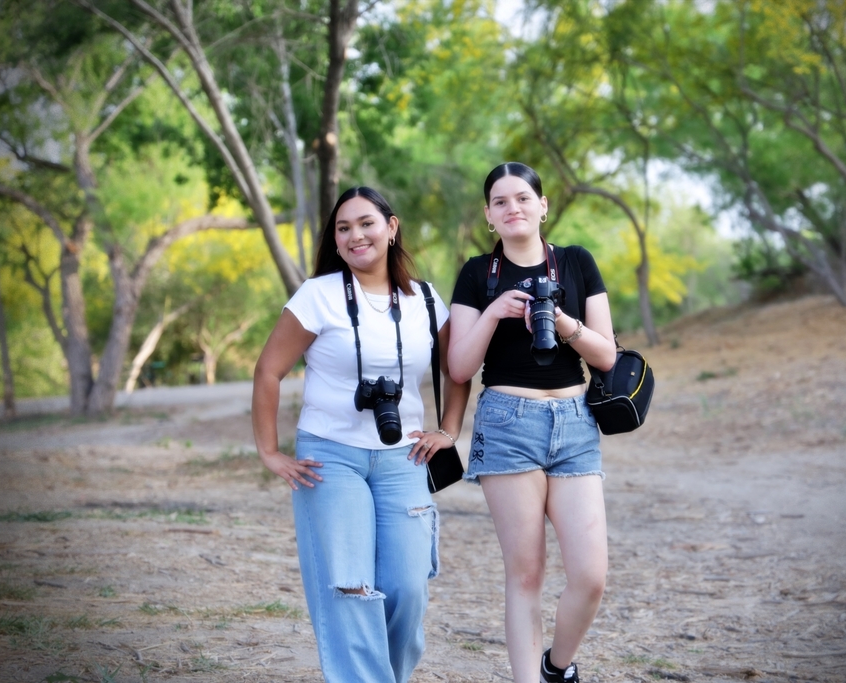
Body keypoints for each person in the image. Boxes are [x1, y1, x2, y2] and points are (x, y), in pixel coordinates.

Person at [252, 186, 470, 683]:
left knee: (407, 589)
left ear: (391, 228)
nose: (355, 235)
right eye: (343, 227)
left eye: (366, 223)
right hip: (331, 458)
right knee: (349, 590)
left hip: (404, 458)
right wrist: (269, 451)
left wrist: (449, 429)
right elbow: (268, 371)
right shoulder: (319, 295)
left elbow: (457, 369)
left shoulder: (425, 299)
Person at [448, 162, 617, 683]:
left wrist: (564, 323)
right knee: (526, 574)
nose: (512, 208)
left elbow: (607, 355)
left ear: (543, 206)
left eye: (523, 198)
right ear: (488, 216)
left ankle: (556, 667)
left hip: (573, 421)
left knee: (591, 575)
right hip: (506, 421)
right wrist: (495, 311)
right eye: (500, 202)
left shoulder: (576, 263)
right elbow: (458, 366)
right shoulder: (478, 274)